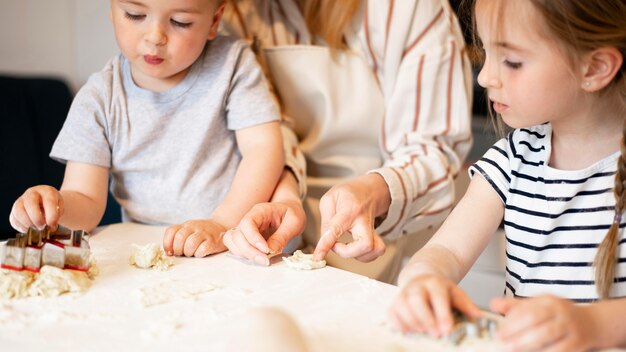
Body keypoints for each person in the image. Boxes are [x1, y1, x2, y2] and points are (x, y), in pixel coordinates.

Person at [389, 0, 626, 350]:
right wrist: (424, 280)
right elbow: (447, 250)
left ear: (595, 67)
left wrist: (592, 325)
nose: (485, 77)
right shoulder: (514, 158)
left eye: (512, 61)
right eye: (485, 51)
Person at [9, 0, 285, 259]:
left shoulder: (232, 64)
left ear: (214, 20)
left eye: (180, 22)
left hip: (232, 242)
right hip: (150, 251)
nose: (155, 37)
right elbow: (86, 199)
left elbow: (264, 150)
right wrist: (54, 205)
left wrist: (221, 223)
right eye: (135, 15)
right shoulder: (99, 97)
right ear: (113, 8)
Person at [220, 0, 474, 280]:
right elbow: (265, 131)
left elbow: (431, 150)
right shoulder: (229, 12)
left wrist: (371, 192)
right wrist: (286, 194)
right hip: (275, 213)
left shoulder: (408, 9)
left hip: (375, 232)